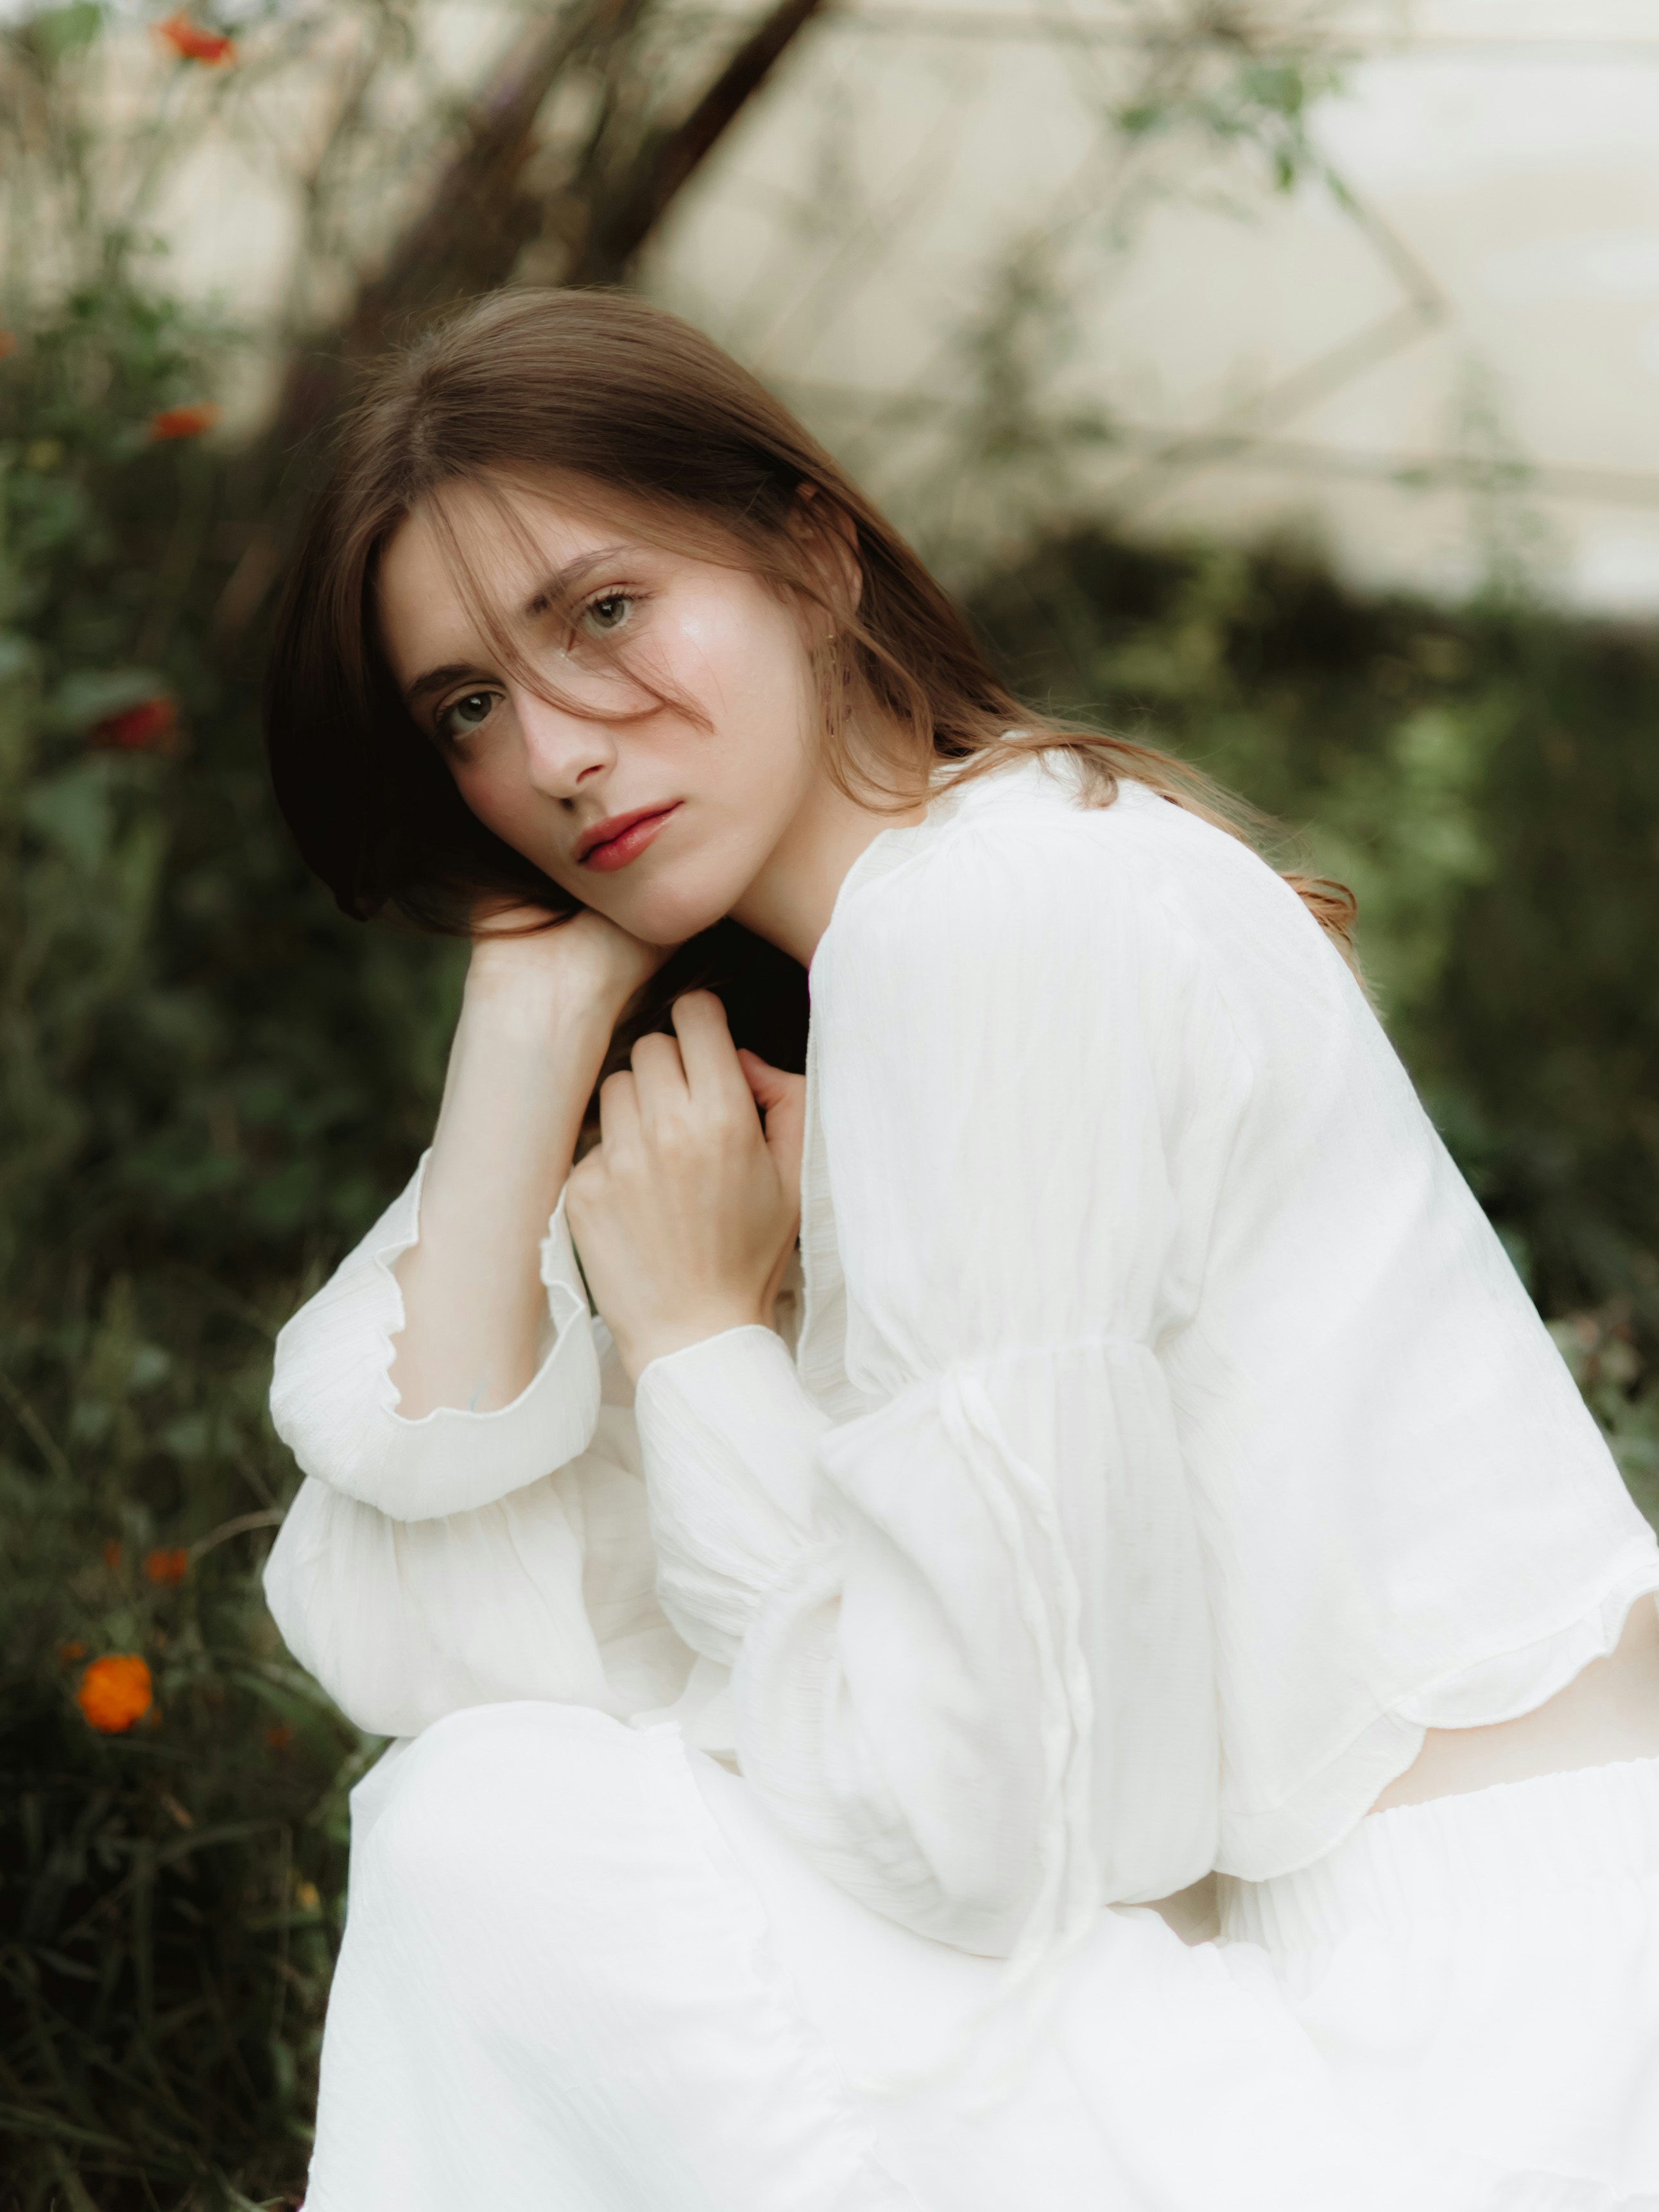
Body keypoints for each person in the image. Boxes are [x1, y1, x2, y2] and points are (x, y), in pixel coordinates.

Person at [261, 288, 1659, 2212]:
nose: (562, 752)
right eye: (469, 710)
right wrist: (525, 1029)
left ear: (812, 558)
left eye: (600, 614)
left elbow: (984, 1823)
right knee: (486, 1807)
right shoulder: (864, 985)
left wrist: (691, 1348)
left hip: (1471, 2066)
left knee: (494, 1841)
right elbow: (402, 1625)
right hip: (1333, 2008)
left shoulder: (999, 924)